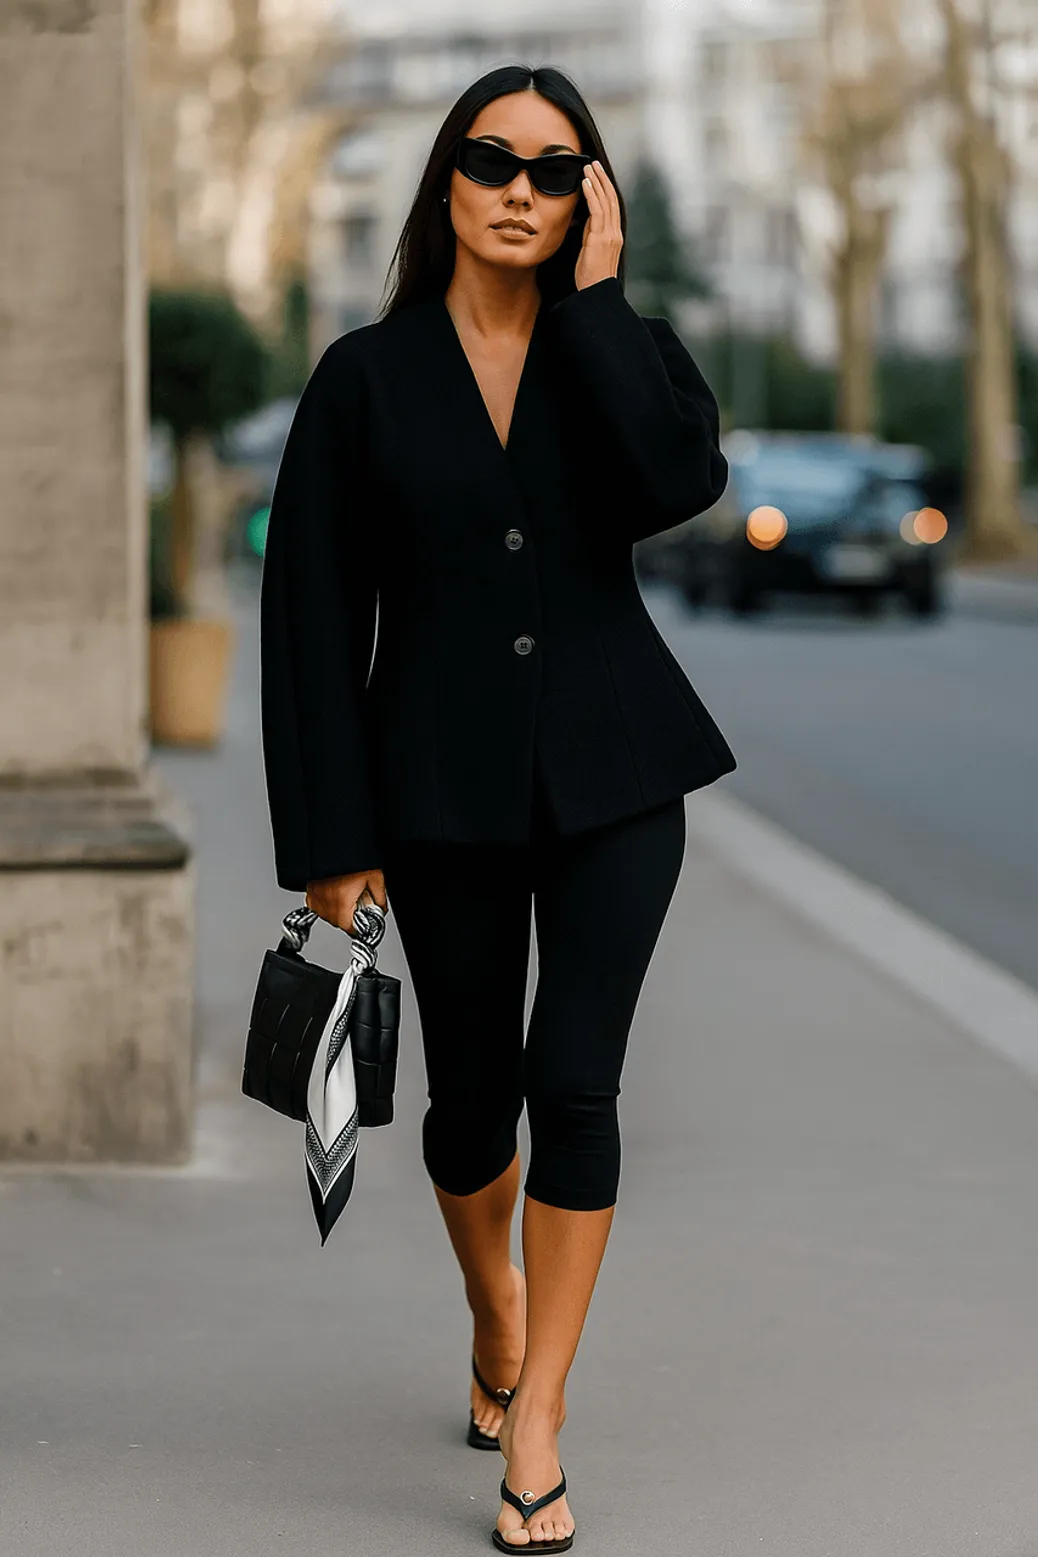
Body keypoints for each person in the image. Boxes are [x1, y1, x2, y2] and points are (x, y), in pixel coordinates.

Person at [260, 62, 736, 1554]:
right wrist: (331, 840)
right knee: (471, 1103)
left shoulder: (626, 349)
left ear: (589, 194)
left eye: (554, 167)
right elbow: (312, 619)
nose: (518, 189)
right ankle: (491, 1308)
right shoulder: (363, 377)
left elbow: (677, 481)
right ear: (445, 185)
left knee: (575, 1086)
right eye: (490, 161)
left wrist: (598, 299)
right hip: (436, 790)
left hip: (616, 779)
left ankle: (537, 1420)